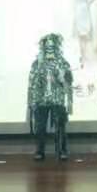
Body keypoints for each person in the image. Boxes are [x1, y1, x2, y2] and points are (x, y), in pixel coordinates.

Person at [27, 33, 73, 161]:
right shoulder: (37, 63)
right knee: (40, 126)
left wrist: (63, 79)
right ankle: (40, 151)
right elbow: (32, 83)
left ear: (57, 47)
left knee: (60, 126)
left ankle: (62, 150)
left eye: (52, 47)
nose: (49, 49)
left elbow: (69, 82)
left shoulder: (63, 63)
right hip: (41, 99)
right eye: (47, 47)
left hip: (57, 99)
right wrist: (31, 100)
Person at [73, 0, 96, 68]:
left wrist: (89, 3)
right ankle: (82, 55)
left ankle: (85, 55)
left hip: (85, 10)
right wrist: (74, 11)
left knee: (85, 34)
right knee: (80, 34)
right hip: (78, 10)